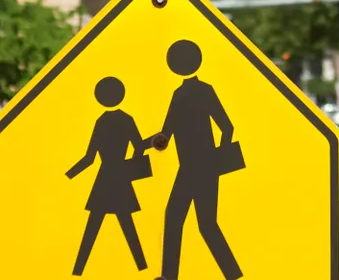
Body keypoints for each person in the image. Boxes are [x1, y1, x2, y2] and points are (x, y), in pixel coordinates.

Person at [147, 39, 244, 280]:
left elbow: (226, 127)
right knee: (189, 222)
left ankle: (230, 274)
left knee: (198, 223)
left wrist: (217, 160)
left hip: (200, 169)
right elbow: (166, 132)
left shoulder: (194, 92)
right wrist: (151, 142)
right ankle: (173, 275)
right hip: (192, 169)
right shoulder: (184, 93)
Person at [66, 76, 149, 275]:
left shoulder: (101, 121)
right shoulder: (126, 119)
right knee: (126, 225)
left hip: (105, 178)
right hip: (120, 177)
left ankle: (78, 269)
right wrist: (132, 167)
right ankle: (142, 267)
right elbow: (138, 147)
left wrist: (71, 173)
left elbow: (89, 158)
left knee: (93, 226)